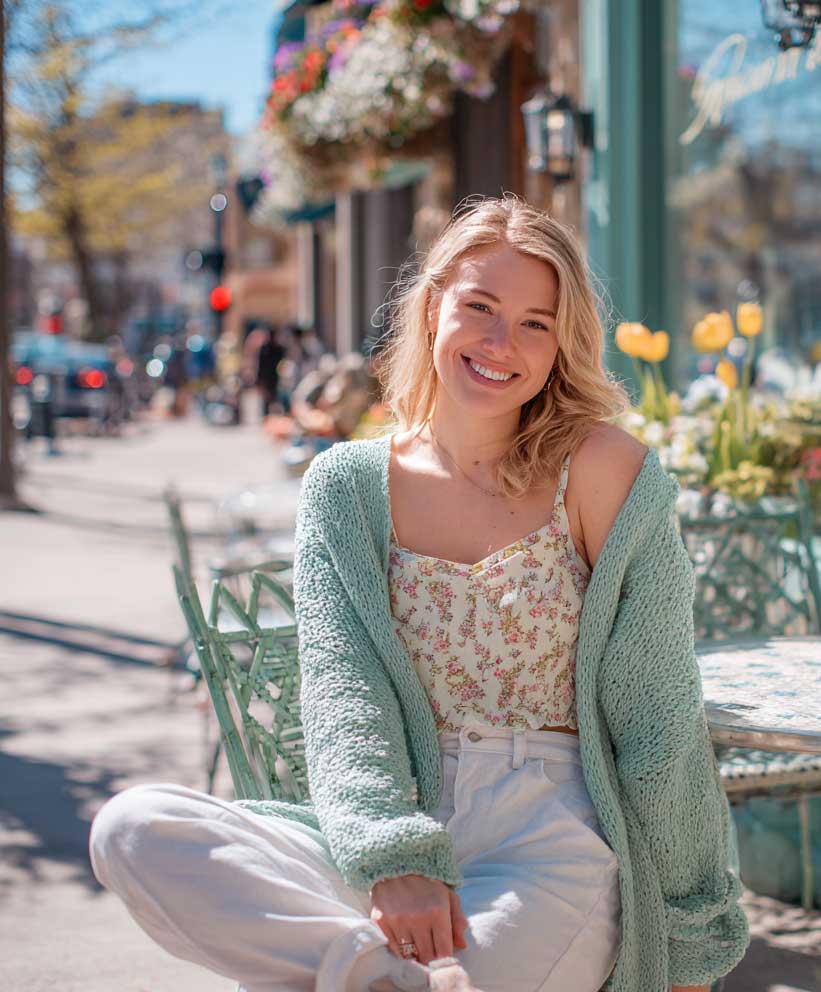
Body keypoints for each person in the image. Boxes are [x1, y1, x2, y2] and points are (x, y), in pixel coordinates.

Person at [87, 195, 750, 992]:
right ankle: (379, 975)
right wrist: (393, 858)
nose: (503, 343)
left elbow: (660, 714)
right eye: (480, 307)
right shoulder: (348, 487)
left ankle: (371, 976)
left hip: (554, 835)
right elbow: (344, 693)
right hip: (394, 823)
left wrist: (688, 939)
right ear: (433, 306)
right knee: (135, 829)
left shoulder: (607, 474)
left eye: (537, 323)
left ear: (561, 344)